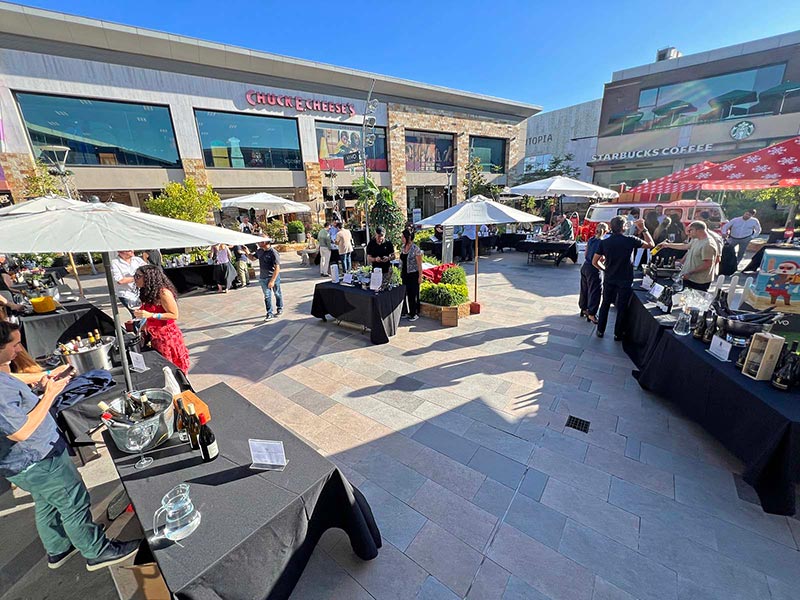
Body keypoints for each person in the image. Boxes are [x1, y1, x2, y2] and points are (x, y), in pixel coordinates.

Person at [0, 321, 141, 571]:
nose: (20, 350)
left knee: (47, 503)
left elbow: (10, 380)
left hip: (24, 465)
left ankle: (58, 548)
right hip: (38, 459)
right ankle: (97, 551)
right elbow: (20, 432)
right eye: (14, 345)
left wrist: (42, 378)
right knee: (73, 503)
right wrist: (50, 394)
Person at [593, 216, 654, 339]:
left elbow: (595, 261)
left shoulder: (605, 242)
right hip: (625, 278)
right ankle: (618, 333)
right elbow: (651, 244)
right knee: (622, 306)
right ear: (623, 227)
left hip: (610, 277)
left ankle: (600, 330)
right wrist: (644, 229)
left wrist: (605, 269)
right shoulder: (630, 240)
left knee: (605, 304)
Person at [133, 265, 190, 372]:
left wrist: (150, 315)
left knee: (173, 367)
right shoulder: (148, 291)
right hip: (156, 336)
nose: (135, 279)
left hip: (168, 337)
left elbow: (174, 315)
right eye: (135, 275)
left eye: (138, 276)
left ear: (149, 277)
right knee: (163, 367)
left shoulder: (164, 293)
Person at [659, 221, 719, 291]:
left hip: (699, 281)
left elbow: (707, 264)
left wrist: (690, 273)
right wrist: (667, 245)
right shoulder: (696, 239)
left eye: (690, 230)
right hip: (689, 278)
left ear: (698, 230)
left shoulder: (708, 244)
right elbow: (686, 246)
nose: (688, 233)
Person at [579, 223, 608, 324]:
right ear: (606, 231)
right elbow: (601, 258)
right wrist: (604, 267)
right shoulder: (603, 242)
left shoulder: (591, 239)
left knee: (584, 289)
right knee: (595, 292)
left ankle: (583, 308)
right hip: (594, 268)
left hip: (585, 266)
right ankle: (592, 314)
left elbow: (586, 253)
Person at [110, 250, 147, 317]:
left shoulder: (137, 260)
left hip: (141, 291)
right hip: (126, 294)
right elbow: (120, 280)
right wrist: (138, 277)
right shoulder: (115, 263)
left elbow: (148, 271)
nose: (132, 251)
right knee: (138, 315)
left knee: (146, 313)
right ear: (120, 252)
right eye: (128, 250)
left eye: (131, 249)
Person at [255, 238, 283, 321]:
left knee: (277, 293)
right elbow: (253, 258)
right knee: (267, 295)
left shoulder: (273, 252)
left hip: (273, 277)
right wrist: (246, 252)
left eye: (259, 241)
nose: (258, 242)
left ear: (264, 242)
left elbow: (277, 268)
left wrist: (272, 281)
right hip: (263, 277)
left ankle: (279, 307)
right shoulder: (260, 251)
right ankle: (269, 313)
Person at [400, 229, 423, 322]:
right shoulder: (403, 247)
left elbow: (419, 264)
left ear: (408, 237)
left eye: (403, 237)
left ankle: (414, 313)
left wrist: (420, 276)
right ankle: (406, 312)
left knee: (413, 294)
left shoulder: (415, 249)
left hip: (413, 274)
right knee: (405, 293)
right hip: (405, 274)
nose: (401, 238)